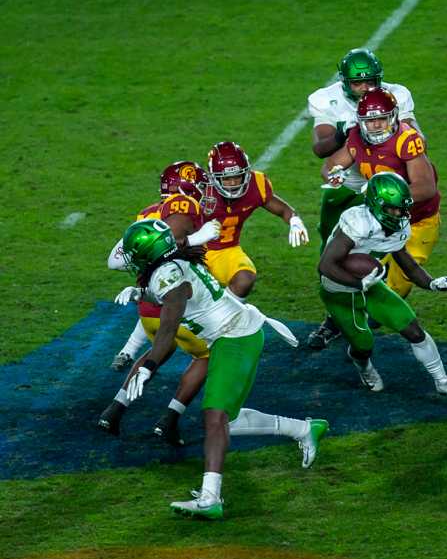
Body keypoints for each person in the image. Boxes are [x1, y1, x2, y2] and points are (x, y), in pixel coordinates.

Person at [116, 219, 328, 519]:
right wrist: (140, 294)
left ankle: (210, 499)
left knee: (214, 417)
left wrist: (148, 366)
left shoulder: (168, 275)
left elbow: (167, 329)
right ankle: (304, 429)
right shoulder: (172, 263)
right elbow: (172, 293)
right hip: (236, 334)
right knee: (226, 420)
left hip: (235, 337)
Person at [101, 161, 223, 446]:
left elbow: (114, 260)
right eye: (200, 185)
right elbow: (176, 240)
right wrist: (194, 238)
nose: (204, 191)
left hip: (148, 308)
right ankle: (169, 419)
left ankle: (115, 409)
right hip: (175, 304)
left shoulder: (145, 215)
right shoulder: (185, 206)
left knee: (156, 353)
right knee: (207, 355)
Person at [306, 48, 420, 350]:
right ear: (344, 83)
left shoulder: (396, 95)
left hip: (385, 189)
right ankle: (337, 317)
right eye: (358, 83)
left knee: (388, 255)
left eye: (371, 82)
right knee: (331, 256)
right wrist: (349, 129)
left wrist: (386, 123)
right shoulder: (326, 99)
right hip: (348, 186)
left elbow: (415, 136)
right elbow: (322, 149)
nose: (366, 88)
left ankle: (367, 314)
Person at [317, 172, 447, 399]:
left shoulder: (398, 226)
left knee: (413, 329)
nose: (399, 214)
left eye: (402, 208)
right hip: (338, 291)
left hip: (371, 285)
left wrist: (433, 284)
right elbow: (325, 265)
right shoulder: (357, 222)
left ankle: (442, 380)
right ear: (376, 204)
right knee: (363, 344)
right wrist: (358, 283)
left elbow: (409, 265)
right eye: (393, 209)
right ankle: (364, 367)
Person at [322, 87, 441, 301]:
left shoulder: (406, 140)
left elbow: (425, 187)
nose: (376, 125)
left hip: (416, 219)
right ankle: (341, 317)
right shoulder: (356, 137)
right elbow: (330, 165)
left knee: (398, 283)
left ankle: (380, 319)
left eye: (382, 119)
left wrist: (385, 199)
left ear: (393, 116)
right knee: (356, 268)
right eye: (370, 120)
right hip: (379, 221)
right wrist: (335, 175)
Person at [201, 141, 309, 298]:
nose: (232, 183)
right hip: (193, 248)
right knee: (190, 291)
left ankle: (224, 314)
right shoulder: (200, 189)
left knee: (244, 279)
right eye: (226, 178)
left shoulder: (256, 186)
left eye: (237, 177)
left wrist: (295, 221)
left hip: (226, 249)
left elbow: (283, 209)